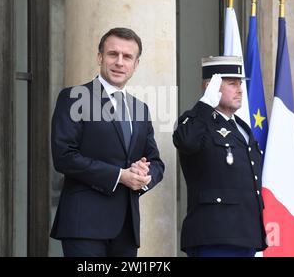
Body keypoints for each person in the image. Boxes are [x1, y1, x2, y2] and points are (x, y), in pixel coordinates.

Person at [50, 27, 165, 257]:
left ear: (136, 64)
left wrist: (143, 174)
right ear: (100, 57)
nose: (119, 62)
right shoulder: (74, 98)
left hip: (126, 228)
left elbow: (156, 163)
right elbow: (64, 157)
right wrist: (120, 176)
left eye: (127, 57)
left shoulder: (140, 109)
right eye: (113, 54)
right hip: (85, 226)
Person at [173, 56, 267, 257]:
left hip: (245, 234)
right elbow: (186, 141)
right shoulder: (196, 121)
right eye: (232, 84)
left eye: (240, 83)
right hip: (213, 234)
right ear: (210, 86)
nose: (240, 89)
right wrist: (205, 104)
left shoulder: (241, 128)